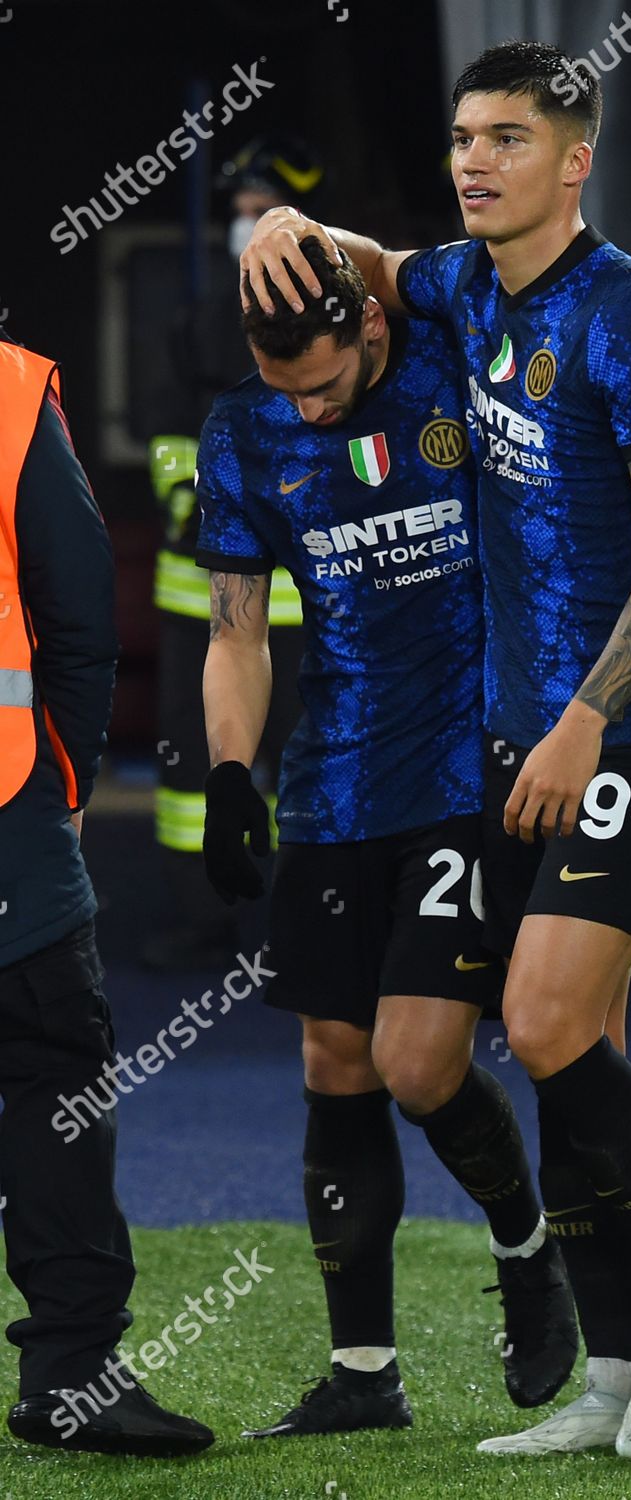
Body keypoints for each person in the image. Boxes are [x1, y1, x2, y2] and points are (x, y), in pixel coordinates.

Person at [240, 38, 631, 1462]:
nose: (475, 160)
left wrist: (586, 718)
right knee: (564, 1051)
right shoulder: (466, 287)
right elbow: (369, 261)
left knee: (543, 1027)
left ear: (575, 161)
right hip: (524, 744)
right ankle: (612, 1375)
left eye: (510, 139)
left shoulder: (624, 311)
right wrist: (287, 227)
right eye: (465, 136)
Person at [195, 238, 577, 1437]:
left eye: (317, 381)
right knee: (334, 1063)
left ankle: (529, 1253)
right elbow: (240, 630)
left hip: (465, 777)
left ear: (365, 326)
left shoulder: (453, 358)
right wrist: (226, 775)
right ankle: (365, 1373)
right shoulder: (242, 432)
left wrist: (296, 228)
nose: (301, 408)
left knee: (419, 1064)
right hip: (332, 790)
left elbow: (446, 256)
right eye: (281, 388)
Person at [0, 331, 213, 1457]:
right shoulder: (9, 393)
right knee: (52, 1072)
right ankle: (71, 1375)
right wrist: (66, 783)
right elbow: (80, 614)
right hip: (5, 817)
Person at [144, 134, 317, 971]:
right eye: (240, 213)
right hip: (199, 598)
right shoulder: (201, 320)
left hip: (312, 604)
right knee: (196, 766)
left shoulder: (341, 325)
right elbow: (167, 437)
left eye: (263, 212)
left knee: (311, 764)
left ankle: (306, 918)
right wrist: (192, 499)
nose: (247, 229)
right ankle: (203, 916)